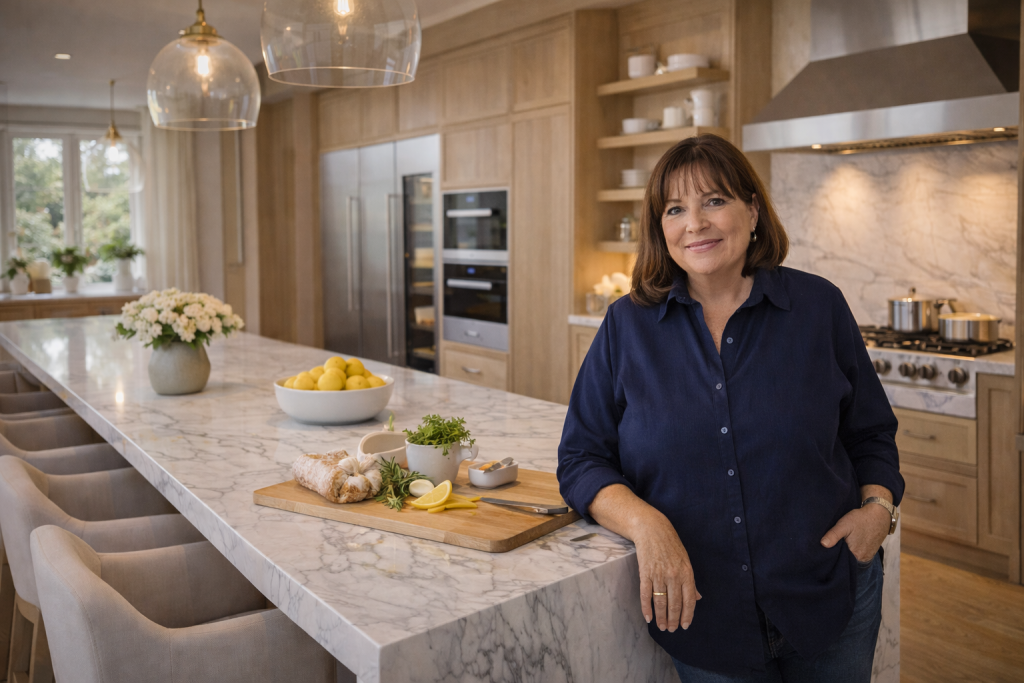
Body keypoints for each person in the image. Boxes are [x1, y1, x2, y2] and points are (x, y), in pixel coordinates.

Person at [557, 134, 903, 683]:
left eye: (714, 201)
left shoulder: (818, 307)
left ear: (753, 210)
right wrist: (648, 526)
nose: (695, 224)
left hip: (828, 596)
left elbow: (871, 434)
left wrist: (878, 511)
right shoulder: (627, 325)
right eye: (675, 209)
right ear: (660, 228)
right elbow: (581, 458)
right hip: (704, 616)